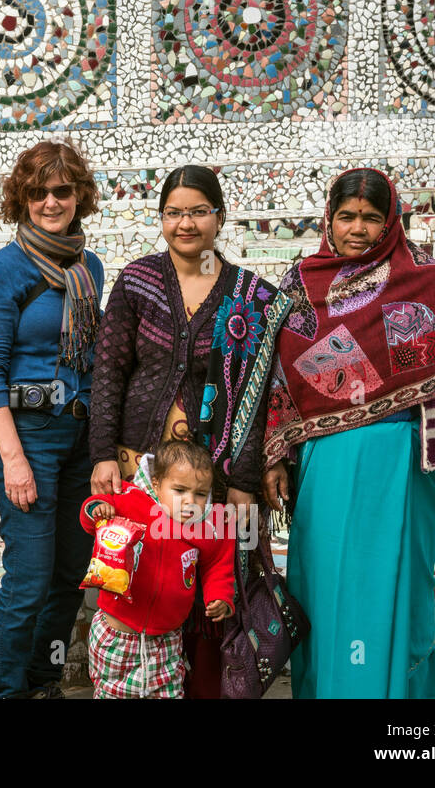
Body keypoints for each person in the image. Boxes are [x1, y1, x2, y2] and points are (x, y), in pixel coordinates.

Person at [261, 168, 435, 699]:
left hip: (400, 465)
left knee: (395, 587)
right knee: (326, 589)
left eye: (371, 217)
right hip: (324, 469)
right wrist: (274, 458)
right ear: (329, 220)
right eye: (347, 217)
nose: (358, 229)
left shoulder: (425, 281)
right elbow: (277, 378)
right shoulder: (304, 283)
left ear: (392, 221)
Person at [90, 164, 289, 697]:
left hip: (214, 480)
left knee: (212, 592)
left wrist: (244, 483)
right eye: (174, 212)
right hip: (142, 469)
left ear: (219, 217)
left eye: (198, 211)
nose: (186, 223)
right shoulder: (138, 282)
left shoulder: (252, 297)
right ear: (160, 219)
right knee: (145, 579)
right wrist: (103, 453)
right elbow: (109, 371)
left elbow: (257, 397)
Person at [0, 141, 104, 698]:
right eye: (39, 192)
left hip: (80, 435)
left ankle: (41, 682)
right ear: (22, 198)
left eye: (62, 191)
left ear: (79, 196)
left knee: (69, 578)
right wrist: (14, 458)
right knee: (27, 581)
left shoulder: (89, 266)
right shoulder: (9, 267)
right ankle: (3, 691)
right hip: (30, 436)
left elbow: (99, 359)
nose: (51, 202)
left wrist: (103, 450)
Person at [80, 439, 235, 698]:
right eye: (180, 490)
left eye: (199, 494)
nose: (190, 502)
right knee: (111, 693)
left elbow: (218, 564)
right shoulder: (130, 501)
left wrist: (220, 596)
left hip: (167, 639)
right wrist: (97, 509)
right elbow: (89, 515)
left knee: (169, 692)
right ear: (157, 485)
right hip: (116, 634)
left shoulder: (208, 526)